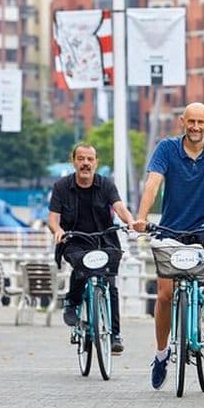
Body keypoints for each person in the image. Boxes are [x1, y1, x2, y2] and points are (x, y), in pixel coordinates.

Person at [132, 102, 204, 391]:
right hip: (171, 228)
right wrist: (141, 217)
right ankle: (161, 354)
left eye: (201, 122)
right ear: (182, 122)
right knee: (164, 294)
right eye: (191, 121)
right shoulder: (167, 148)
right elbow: (153, 184)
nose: (196, 127)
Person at [48, 143, 135, 355]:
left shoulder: (106, 185)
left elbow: (119, 207)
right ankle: (72, 301)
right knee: (80, 269)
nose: (85, 163)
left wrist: (131, 222)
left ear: (96, 163)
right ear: (73, 162)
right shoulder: (61, 186)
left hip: (104, 240)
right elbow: (53, 219)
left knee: (110, 284)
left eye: (89, 159)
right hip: (74, 240)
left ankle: (115, 335)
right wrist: (57, 230)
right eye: (81, 159)